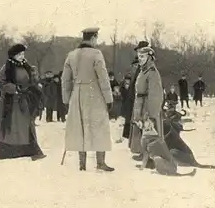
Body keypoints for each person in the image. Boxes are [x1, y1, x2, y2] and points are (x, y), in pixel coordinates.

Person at [61, 27, 114, 172]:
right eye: (96, 38)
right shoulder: (96, 54)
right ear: (93, 38)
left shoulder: (71, 55)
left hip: (77, 95)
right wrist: (109, 99)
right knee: (99, 126)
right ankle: (100, 162)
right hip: (94, 94)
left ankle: (82, 164)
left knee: (80, 127)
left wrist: (66, 99)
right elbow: (103, 78)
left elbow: (65, 80)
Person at [0, 44, 46, 161]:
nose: (22, 56)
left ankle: (31, 149)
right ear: (14, 55)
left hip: (24, 100)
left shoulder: (25, 66)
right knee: (12, 126)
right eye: (20, 54)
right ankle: (9, 151)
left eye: (23, 54)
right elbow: (1, 83)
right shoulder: (6, 67)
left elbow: (31, 79)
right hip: (11, 102)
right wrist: (15, 89)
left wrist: (35, 84)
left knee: (27, 125)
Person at [131, 46, 166, 169]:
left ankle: (154, 161)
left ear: (149, 57)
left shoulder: (152, 72)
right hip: (141, 104)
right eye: (139, 56)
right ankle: (147, 160)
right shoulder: (143, 71)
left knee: (151, 134)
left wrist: (151, 114)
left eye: (142, 56)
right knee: (144, 135)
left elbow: (155, 94)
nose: (140, 59)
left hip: (148, 105)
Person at [124, 41, 150, 159]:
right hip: (136, 100)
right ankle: (140, 150)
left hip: (143, 100)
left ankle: (144, 152)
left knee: (143, 125)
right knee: (138, 125)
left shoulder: (147, 66)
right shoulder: (140, 65)